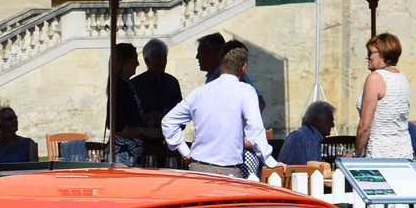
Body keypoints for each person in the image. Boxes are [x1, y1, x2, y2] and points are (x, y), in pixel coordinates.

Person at [162, 46, 283, 179]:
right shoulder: (245, 91)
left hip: (198, 168)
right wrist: (270, 162)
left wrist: (185, 152)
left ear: (221, 67)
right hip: (228, 171)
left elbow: (168, 121)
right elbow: (255, 128)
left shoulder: (199, 92)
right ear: (243, 68)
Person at [355, 33, 413, 159]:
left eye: (370, 53)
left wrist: (357, 153)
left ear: (382, 53)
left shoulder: (375, 78)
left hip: (381, 151)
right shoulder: (402, 77)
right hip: (404, 149)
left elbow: (365, 126)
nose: (367, 57)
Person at [132, 38, 181, 164]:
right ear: (147, 60)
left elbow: (183, 117)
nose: (163, 61)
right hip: (143, 147)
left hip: (169, 145)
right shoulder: (135, 85)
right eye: (158, 57)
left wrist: (167, 117)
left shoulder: (173, 83)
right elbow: (129, 119)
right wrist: (146, 119)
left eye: (165, 57)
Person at [107, 42, 147, 166]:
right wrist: (144, 131)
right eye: (134, 59)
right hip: (125, 155)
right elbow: (117, 127)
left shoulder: (126, 85)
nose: (137, 63)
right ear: (125, 62)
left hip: (130, 153)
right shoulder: (120, 86)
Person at [277, 101, 334, 165]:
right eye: (330, 120)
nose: (332, 125)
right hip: (293, 174)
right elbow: (313, 171)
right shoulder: (308, 139)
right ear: (318, 120)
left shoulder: (307, 134)